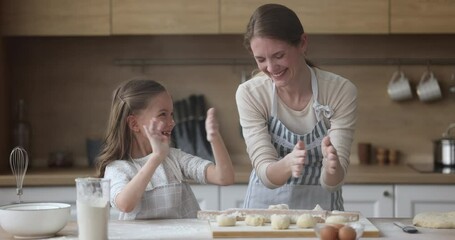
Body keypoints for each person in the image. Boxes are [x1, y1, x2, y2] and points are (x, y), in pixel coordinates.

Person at [236, 3, 357, 211]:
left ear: (302, 43)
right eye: (261, 59)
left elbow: (334, 181)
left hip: (322, 211)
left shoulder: (340, 91)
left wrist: (331, 167)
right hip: (265, 212)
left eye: (279, 55)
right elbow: (265, 171)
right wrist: (287, 164)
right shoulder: (251, 94)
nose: (271, 68)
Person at [97, 78, 235, 220]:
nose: (172, 122)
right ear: (134, 123)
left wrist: (215, 138)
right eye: (163, 114)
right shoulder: (118, 168)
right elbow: (125, 204)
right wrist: (156, 157)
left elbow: (224, 178)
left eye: (171, 114)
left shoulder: (174, 158)